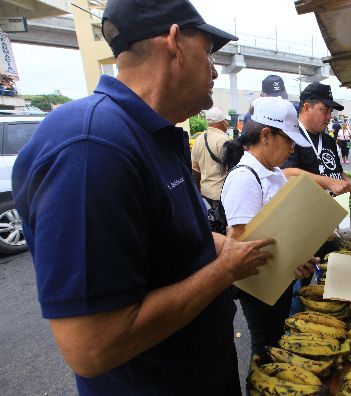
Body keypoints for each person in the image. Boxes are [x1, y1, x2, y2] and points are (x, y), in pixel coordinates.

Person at [11, 1, 275, 394]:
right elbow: (92, 347)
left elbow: (167, 243)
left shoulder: (152, 134)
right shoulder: (92, 146)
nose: (215, 70)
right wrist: (224, 271)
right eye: (207, 52)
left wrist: (225, 247)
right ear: (173, 42)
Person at [220, 96, 316, 364]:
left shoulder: (272, 172)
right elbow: (244, 242)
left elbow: (282, 227)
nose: (292, 149)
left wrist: (299, 253)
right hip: (259, 286)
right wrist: (291, 257)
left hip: (279, 278)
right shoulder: (244, 178)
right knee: (264, 351)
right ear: (266, 135)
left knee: (276, 343)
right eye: (289, 141)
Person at [281, 82, 351, 196]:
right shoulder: (291, 137)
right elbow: (287, 173)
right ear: (307, 108)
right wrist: (328, 182)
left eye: (330, 112)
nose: (329, 117)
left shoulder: (329, 140)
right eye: (324, 110)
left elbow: (338, 172)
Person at [191, 106, 231, 234]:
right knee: (226, 230)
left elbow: (195, 168)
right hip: (222, 195)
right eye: (226, 120)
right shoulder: (223, 140)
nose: (227, 123)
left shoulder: (198, 139)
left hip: (205, 194)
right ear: (221, 122)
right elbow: (232, 168)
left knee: (213, 230)